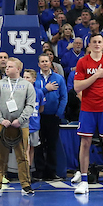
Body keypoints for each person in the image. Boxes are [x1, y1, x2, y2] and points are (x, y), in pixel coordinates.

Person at [72, 34, 103, 194]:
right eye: (94, 42)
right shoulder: (82, 62)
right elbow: (77, 87)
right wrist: (97, 75)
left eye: (100, 42)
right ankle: (84, 180)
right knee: (85, 143)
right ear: (89, 45)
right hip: (88, 108)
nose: (97, 44)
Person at [0, 57, 37, 196]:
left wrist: (20, 120)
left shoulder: (27, 85)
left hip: (21, 125)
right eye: (6, 66)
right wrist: (0, 119)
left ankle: (26, 184)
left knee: (22, 155)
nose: (6, 68)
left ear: (18, 69)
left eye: (10, 66)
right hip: (1, 124)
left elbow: (30, 105)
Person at [33, 53, 66, 181]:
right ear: (38, 64)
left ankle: (51, 172)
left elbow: (64, 96)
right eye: (42, 61)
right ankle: (39, 171)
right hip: (38, 116)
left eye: (47, 61)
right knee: (39, 145)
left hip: (53, 116)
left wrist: (59, 112)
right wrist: (45, 89)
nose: (45, 63)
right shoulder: (35, 79)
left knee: (52, 145)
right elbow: (34, 94)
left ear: (50, 63)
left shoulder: (58, 78)